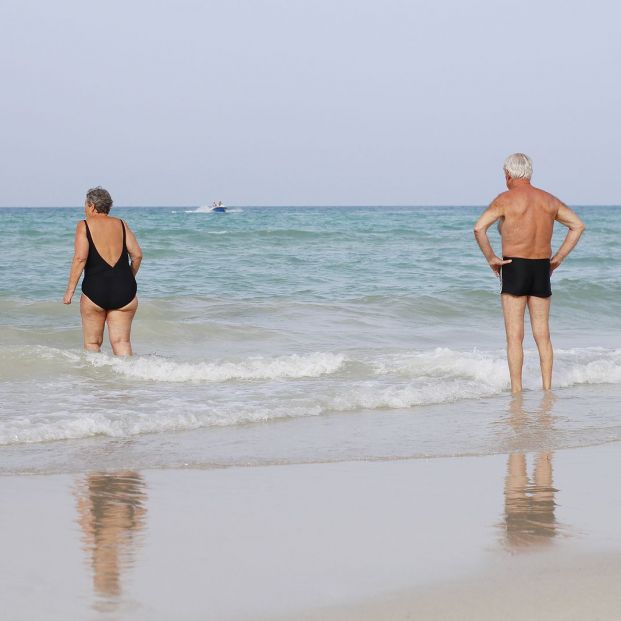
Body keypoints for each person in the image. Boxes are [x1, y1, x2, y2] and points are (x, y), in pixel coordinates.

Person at [474, 154, 585, 392]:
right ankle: (547, 390)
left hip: (514, 266)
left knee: (515, 336)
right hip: (540, 267)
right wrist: (557, 260)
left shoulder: (504, 199)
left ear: (508, 175)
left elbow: (479, 228)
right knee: (542, 334)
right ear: (529, 173)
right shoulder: (548, 200)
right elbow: (577, 225)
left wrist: (492, 258)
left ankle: (517, 392)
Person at [63, 187, 143, 355]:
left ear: (91, 206)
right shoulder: (121, 224)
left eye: (85, 204)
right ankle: (128, 379)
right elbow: (137, 256)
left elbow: (80, 258)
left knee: (93, 343)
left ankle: (95, 381)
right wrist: (129, 278)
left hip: (95, 292)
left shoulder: (84, 225)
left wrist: (70, 291)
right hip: (125, 292)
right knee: (122, 342)